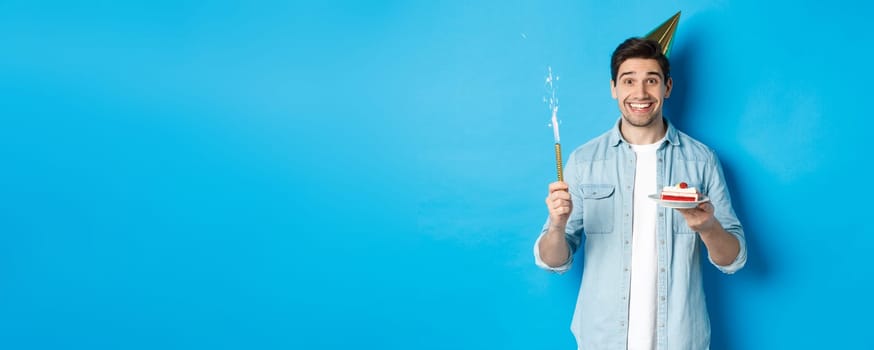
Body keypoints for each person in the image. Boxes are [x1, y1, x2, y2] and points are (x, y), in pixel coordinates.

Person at [534, 37, 747, 350]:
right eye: (629, 80)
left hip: (679, 340)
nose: (640, 93)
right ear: (613, 88)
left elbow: (734, 259)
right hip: (601, 341)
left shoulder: (702, 160)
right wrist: (556, 225)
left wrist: (708, 227)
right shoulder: (584, 160)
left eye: (652, 80)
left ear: (668, 87)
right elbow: (554, 261)